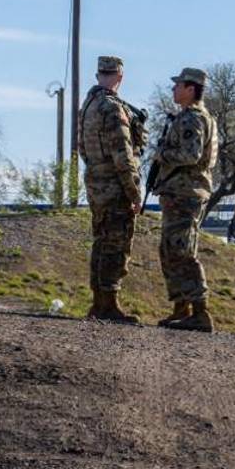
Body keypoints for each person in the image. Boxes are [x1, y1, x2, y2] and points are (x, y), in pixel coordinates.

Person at [77, 55, 144, 324]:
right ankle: (109, 304)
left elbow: (82, 148)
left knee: (101, 241)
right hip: (114, 186)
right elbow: (123, 156)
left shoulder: (88, 105)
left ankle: (98, 302)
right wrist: (134, 191)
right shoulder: (113, 108)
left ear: (98, 75)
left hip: (95, 181)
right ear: (120, 77)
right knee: (116, 244)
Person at [151, 67, 218, 333]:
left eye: (178, 85)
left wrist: (162, 154)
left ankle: (200, 312)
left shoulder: (193, 119)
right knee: (170, 249)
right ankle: (182, 308)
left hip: (186, 193)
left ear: (191, 89)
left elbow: (191, 155)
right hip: (180, 192)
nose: (173, 89)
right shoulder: (192, 117)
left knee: (182, 251)